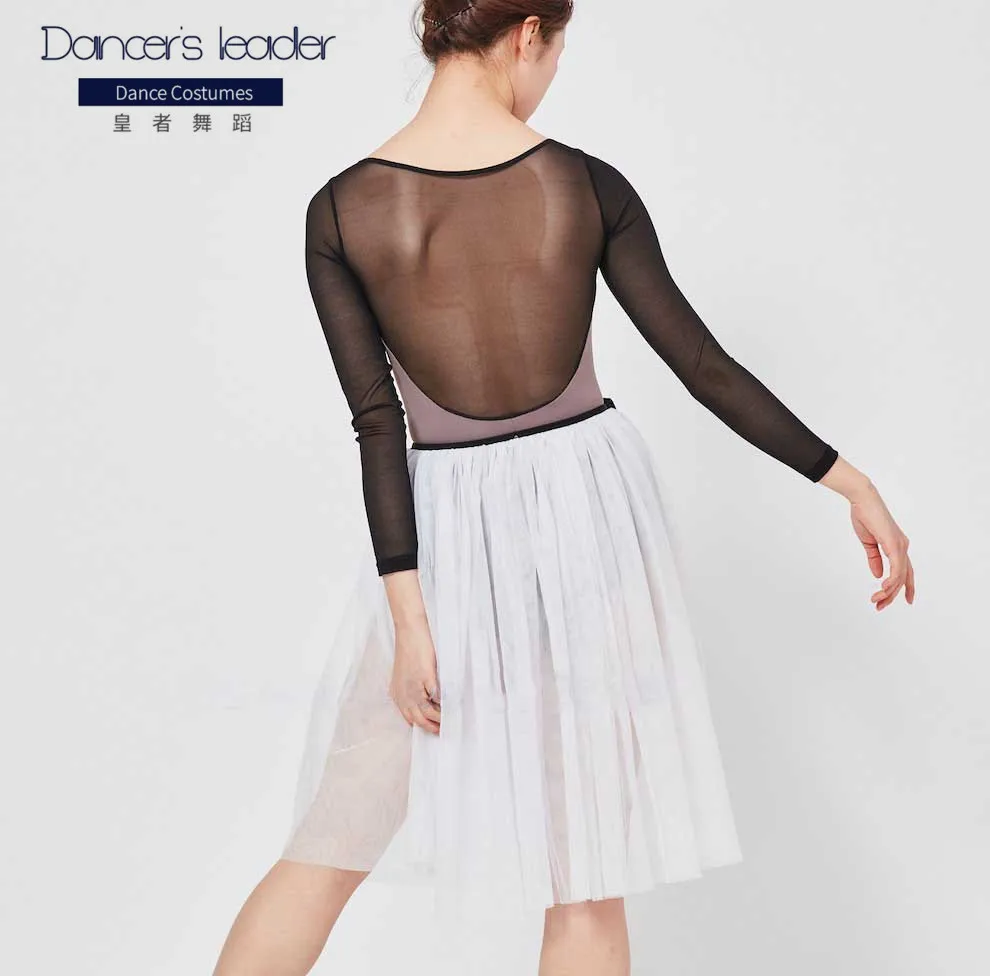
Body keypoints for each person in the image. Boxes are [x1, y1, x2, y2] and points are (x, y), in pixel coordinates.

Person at [212, 2, 915, 974]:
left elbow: (379, 423)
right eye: (557, 54)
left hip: (438, 533)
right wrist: (848, 479)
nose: (550, 78)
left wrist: (411, 622)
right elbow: (702, 366)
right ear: (528, 34)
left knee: (334, 836)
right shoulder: (584, 183)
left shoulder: (340, 210)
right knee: (585, 865)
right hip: (588, 517)